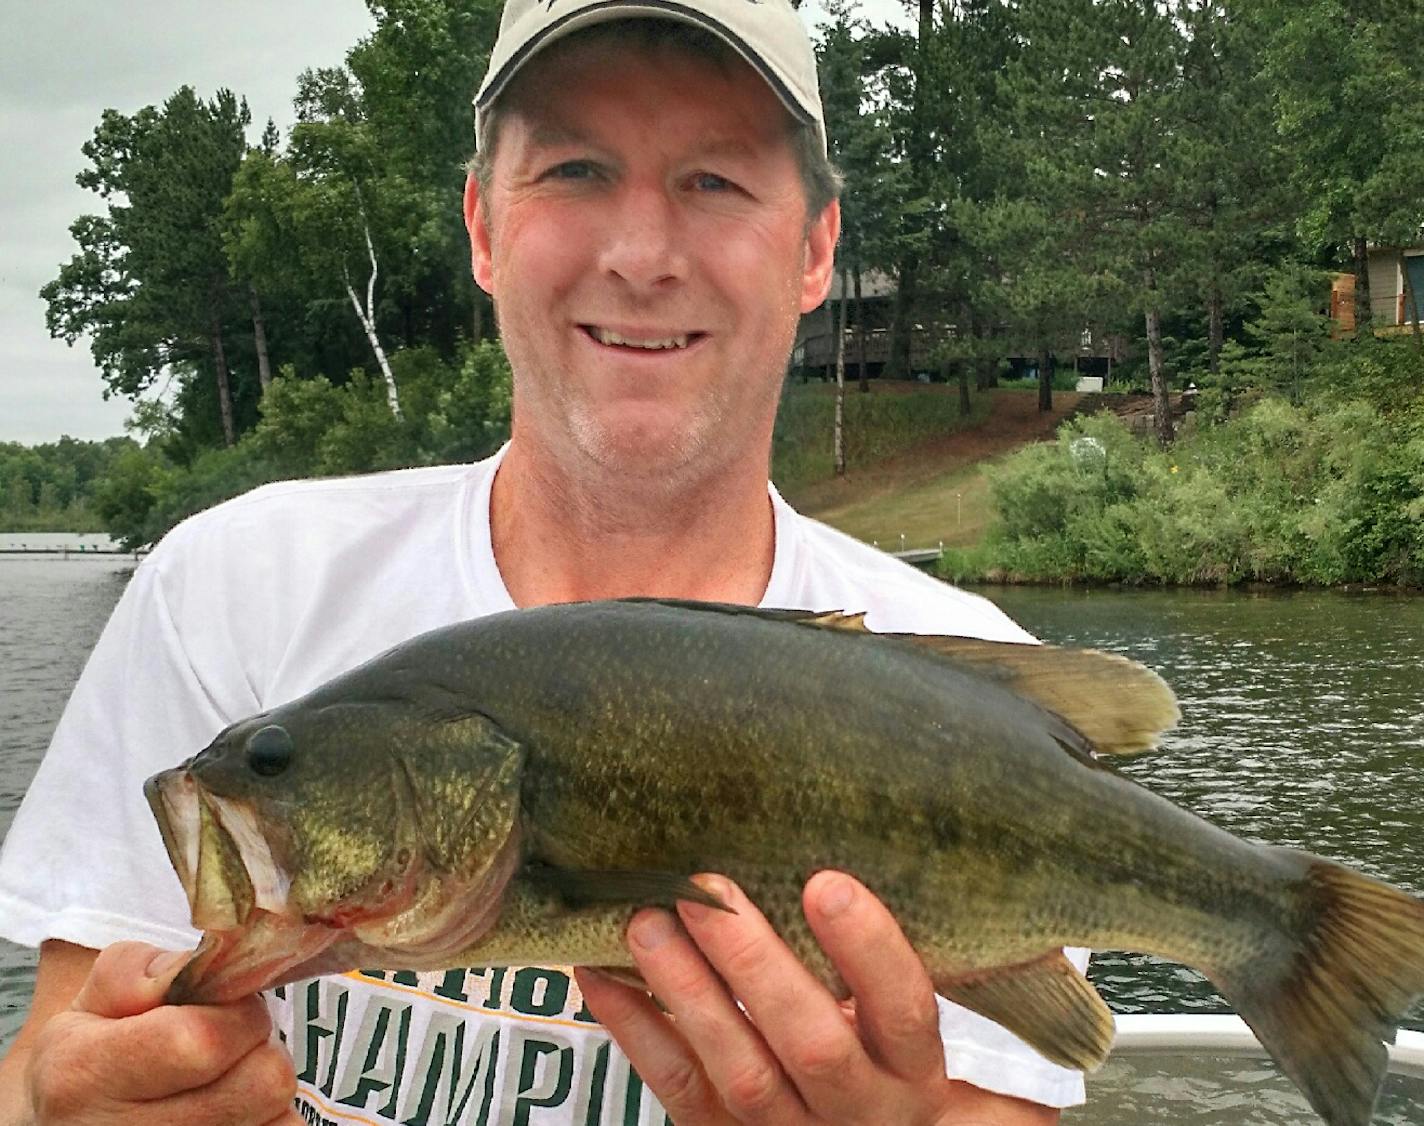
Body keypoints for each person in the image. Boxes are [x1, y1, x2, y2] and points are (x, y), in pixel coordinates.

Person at [0, 0, 1091, 1122]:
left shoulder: (973, 710)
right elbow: (49, 1062)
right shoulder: (229, 590)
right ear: (481, 224)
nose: (639, 256)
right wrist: (57, 1100)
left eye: (713, 181)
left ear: (815, 247)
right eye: (573, 169)